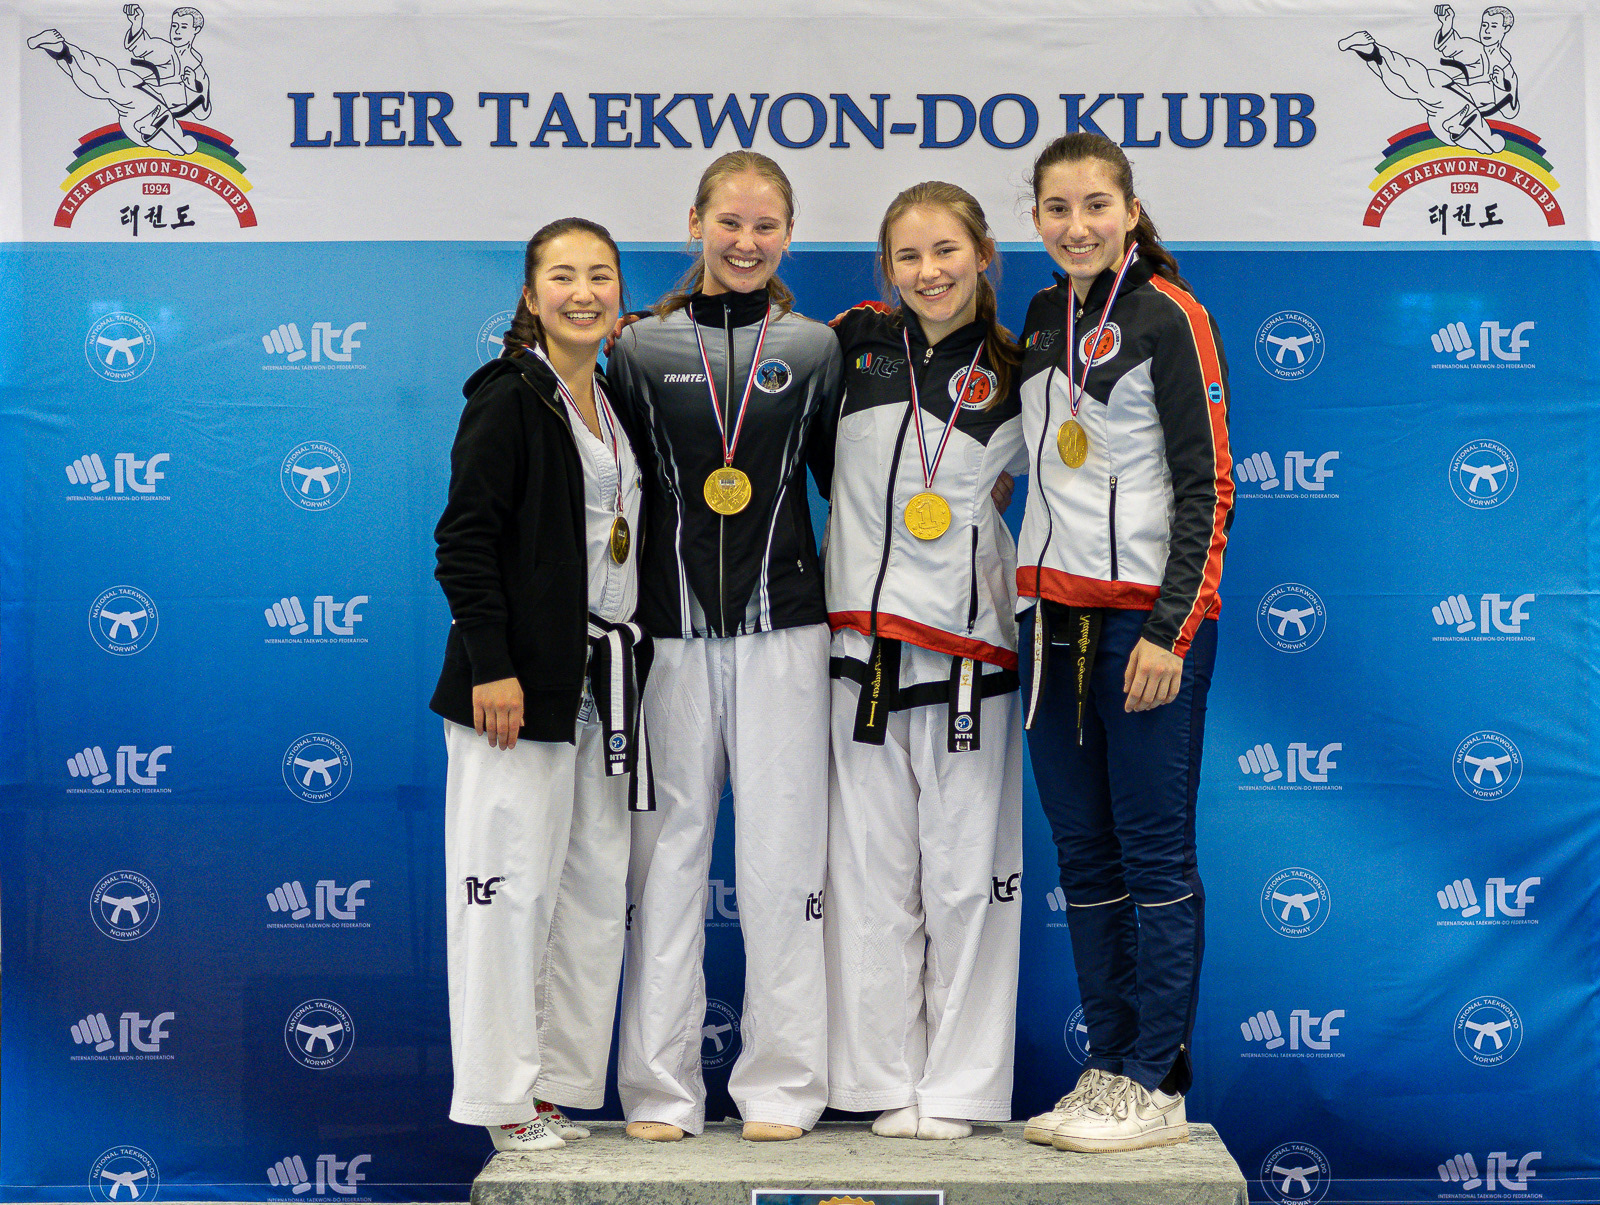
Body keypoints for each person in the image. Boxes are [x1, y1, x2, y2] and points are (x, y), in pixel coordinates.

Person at [607, 151, 843, 1143]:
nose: (746, 243)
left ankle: (782, 1088)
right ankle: (662, 1091)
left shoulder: (817, 347)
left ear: (788, 234)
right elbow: (610, 488)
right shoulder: (636, 347)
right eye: (730, 222)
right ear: (696, 222)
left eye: (766, 226)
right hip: (667, 634)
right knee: (665, 862)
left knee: (785, 860)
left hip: (786, 631)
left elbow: (852, 486)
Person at [1015, 133, 1232, 1153]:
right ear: (1035, 220)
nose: (1077, 226)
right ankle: (1108, 1067)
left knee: (1153, 854)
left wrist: (1169, 631)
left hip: (1144, 626)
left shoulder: (1170, 315)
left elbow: (1208, 483)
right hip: (1049, 625)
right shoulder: (1038, 316)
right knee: (1085, 854)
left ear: (1131, 211)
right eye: (1057, 208)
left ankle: (1157, 1078)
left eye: (1095, 205)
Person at [431, 217, 650, 1153]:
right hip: (514, 689)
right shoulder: (509, 396)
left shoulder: (612, 400)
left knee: (587, 895)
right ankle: (500, 1095)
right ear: (530, 296)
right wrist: (493, 663)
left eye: (599, 275)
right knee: (506, 894)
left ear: (620, 295)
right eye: (562, 276)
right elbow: (463, 540)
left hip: (601, 684)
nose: (582, 293)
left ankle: (550, 1085)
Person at [822, 182, 1026, 1142]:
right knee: (869, 883)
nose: (929, 271)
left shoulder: (1022, 367)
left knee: (967, 882)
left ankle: (959, 1089)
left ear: (982, 253)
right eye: (907, 256)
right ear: (886, 268)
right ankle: (880, 1082)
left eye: (946, 250)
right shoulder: (848, 347)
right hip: (858, 654)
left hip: (970, 657)